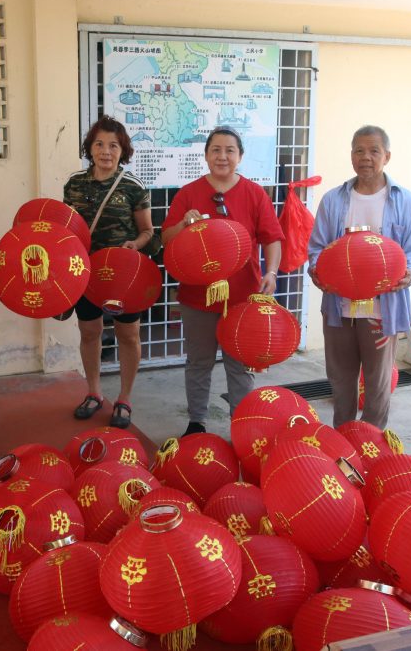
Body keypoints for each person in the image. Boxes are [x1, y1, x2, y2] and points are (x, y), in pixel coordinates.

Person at [162, 127, 284, 436]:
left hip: (242, 297)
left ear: (240, 156)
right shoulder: (188, 193)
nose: (222, 156)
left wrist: (271, 272)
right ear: (206, 155)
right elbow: (167, 238)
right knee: (199, 361)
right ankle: (196, 422)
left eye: (230, 150)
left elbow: (272, 238)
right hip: (197, 297)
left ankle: (243, 426)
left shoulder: (255, 193)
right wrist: (183, 225)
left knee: (240, 364)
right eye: (216, 149)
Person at [308, 125, 411, 430]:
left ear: (386, 156)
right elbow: (317, 248)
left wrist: (409, 274)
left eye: (374, 151)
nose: (366, 157)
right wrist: (317, 269)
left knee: (377, 384)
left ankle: (371, 443)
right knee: (341, 380)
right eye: (359, 150)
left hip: (382, 308)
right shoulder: (334, 200)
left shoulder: (405, 200)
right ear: (351, 156)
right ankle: (343, 440)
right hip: (339, 307)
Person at [63, 116, 154, 428]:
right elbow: (65, 230)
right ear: (90, 148)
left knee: (128, 334)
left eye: (113, 145)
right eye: (99, 144)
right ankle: (94, 393)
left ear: (122, 150)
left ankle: (125, 399)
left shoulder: (133, 187)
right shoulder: (74, 184)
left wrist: (134, 244)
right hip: (86, 273)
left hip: (124, 276)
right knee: (89, 332)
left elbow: (147, 232)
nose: (105, 151)